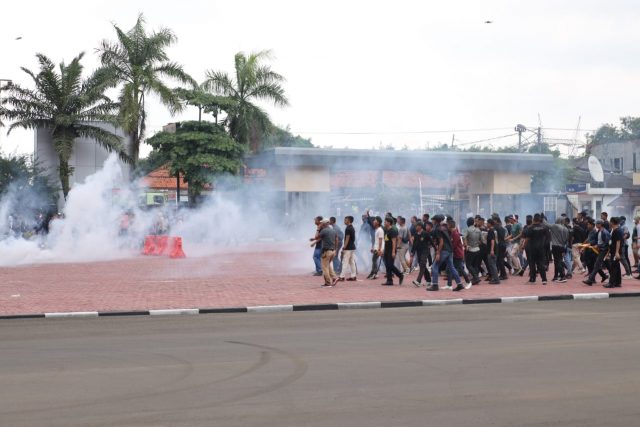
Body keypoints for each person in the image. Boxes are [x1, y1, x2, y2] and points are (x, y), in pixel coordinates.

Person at [426, 215, 465, 292]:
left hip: (444, 250)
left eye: (433, 220)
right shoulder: (445, 227)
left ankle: (435, 285)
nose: (432, 221)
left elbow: (441, 241)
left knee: (435, 266)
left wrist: (438, 253)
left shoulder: (437, 229)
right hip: (449, 250)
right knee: (451, 267)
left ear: (435, 221)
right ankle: (459, 284)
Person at [521, 213, 549, 285]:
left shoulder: (530, 228)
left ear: (533, 219)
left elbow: (527, 238)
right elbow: (547, 238)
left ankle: (532, 279)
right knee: (541, 264)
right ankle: (544, 279)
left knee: (532, 264)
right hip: (541, 248)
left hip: (532, 248)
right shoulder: (544, 227)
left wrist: (523, 246)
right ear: (540, 219)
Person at [583, 219, 611, 286]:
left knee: (597, 265)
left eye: (597, 224)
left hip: (604, 250)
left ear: (600, 224)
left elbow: (606, 243)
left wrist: (598, 245)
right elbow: (596, 240)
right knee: (603, 265)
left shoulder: (604, 232)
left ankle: (590, 280)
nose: (596, 225)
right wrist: (590, 244)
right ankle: (605, 276)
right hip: (599, 250)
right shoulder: (599, 231)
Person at [312, 219, 338, 287]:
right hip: (333, 250)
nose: (321, 224)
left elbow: (316, 237)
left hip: (326, 251)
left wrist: (318, 229)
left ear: (325, 224)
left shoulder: (324, 230)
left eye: (322, 223)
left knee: (325, 268)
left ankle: (328, 283)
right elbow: (336, 240)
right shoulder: (333, 230)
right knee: (328, 266)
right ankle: (334, 278)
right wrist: (335, 249)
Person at [447, 219, 472, 289]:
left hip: (458, 254)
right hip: (456, 254)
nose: (447, 227)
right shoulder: (453, 233)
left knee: (460, 269)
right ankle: (449, 284)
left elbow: (453, 245)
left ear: (450, 225)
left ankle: (468, 282)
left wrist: (448, 250)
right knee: (450, 268)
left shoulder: (455, 234)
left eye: (447, 225)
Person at [381, 216, 404, 286]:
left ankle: (400, 275)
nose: (384, 223)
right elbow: (385, 241)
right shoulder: (385, 230)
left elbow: (394, 242)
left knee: (390, 265)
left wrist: (393, 252)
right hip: (386, 250)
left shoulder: (393, 230)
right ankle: (389, 280)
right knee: (387, 265)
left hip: (391, 250)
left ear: (389, 223)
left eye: (385, 222)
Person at [411, 221, 433, 286]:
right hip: (419, 252)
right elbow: (414, 244)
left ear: (420, 226)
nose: (415, 227)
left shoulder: (425, 233)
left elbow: (431, 242)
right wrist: (412, 252)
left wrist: (436, 250)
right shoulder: (416, 234)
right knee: (422, 266)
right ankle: (429, 280)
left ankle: (418, 281)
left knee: (422, 264)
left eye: (416, 226)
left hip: (425, 251)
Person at [463, 217, 482, 285]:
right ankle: (475, 278)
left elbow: (464, 237)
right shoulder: (478, 230)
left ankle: (476, 277)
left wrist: (466, 245)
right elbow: (481, 240)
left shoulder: (467, 230)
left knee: (468, 265)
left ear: (468, 223)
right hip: (477, 249)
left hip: (470, 249)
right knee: (475, 265)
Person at [605, 217, 623, 288]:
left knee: (613, 267)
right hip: (614, 251)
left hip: (616, 252)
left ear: (612, 222)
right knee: (617, 267)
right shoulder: (615, 230)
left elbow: (618, 242)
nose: (609, 223)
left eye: (610, 221)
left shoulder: (617, 231)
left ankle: (611, 283)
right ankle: (618, 282)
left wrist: (617, 252)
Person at [549, 218, 569, 283]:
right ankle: (556, 276)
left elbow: (546, 224)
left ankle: (562, 276)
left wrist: (542, 218)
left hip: (555, 246)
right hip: (562, 246)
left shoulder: (555, 226)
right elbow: (566, 240)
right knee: (558, 261)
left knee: (557, 262)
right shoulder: (565, 228)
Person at [339, 216, 357, 281]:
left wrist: (344, 247)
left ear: (349, 221)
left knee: (345, 262)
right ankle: (353, 276)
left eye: (345, 220)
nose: (344, 221)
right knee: (352, 262)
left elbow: (347, 238)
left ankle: (342, 276)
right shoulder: (352, 227)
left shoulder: (348, 228)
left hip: (348, 248)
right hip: (352, 247)